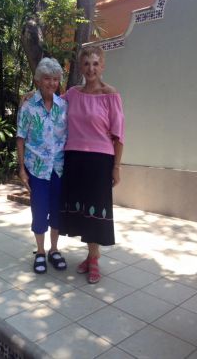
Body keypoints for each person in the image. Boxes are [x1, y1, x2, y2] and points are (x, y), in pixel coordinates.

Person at [59, 45, 125, 284]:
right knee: (83, 211)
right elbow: (53, 105)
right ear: (81, 67)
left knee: (96, 211)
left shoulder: (111, 95)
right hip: (74, 158)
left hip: (100, 160)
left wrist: (116, 167)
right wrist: (31, 96)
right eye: (86, 64)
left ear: (103, 66)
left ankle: (94, 260)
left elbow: (118, 135)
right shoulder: (73, 94)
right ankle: (90, 255)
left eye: (95, 63)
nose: (91, 68)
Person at [16, 57, 68, 274]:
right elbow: (20, 138)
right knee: (39, 211)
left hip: (58, 168)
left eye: (55, 79)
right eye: (47, 78)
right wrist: (21, 168)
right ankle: (40, 251)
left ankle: (54, 250)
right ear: (38, 80)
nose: (51, 83)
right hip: (36, 169)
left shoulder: (64, 105)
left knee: (57, 210)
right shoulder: (28, 107)